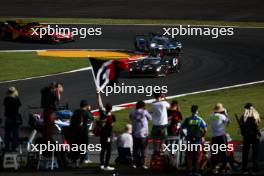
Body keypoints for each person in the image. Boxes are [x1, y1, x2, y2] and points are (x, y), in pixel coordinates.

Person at [181, 105, 208, 176]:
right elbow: (205, 129)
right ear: (197, 111)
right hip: (198, 141)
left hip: (189, 141)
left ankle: (190, 171)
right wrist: (202, 136)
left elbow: (181, 128)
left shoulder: (188, 119)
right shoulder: (200, 119)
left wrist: (185, 136)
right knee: (198, 157)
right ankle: (196, 172)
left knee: (189, 157)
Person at [237, 103, 261, 174]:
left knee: (245, 153)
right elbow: (256, 125)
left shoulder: (243, 117)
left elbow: (241, 128)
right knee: (255, 153)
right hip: (254, 137)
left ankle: (244, 169)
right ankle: (255, 169)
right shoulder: (254, 116)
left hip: (246, 137)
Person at [70, 100, 94, 164]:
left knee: (76, 146)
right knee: (84, 146)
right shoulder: (86, 112)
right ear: (86, 106)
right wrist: (89, 110)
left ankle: (75, 160)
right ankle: (84, 159)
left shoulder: (76, 111)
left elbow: (72, 120)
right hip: (83, 131)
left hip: (76, 131)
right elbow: (92, 118)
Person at [129, 100, 152, 168]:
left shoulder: (132, 112)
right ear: (143, 106)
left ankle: (134, 163)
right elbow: (150, 118)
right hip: (143, 134)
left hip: (135, 133)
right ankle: (143, 164)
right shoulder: (144, 112)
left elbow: (130, 118)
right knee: (143, 149)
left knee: (135, 149)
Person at [208, 103, 229, 174]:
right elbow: (228, 121)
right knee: (224, 153)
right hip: (221, 136)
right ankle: (223, 167)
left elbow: (213, 116)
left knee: (214, 152)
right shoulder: (222, 116)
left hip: (214, 137)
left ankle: (214, 167)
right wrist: (226, 113)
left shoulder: (210, 116)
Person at [3, 87, 22, 152]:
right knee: (15, 133)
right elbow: (19, 105)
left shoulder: (6, 99)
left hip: (8, 118)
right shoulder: (16, 99)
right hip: (14, 118)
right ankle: (14, 147)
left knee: (7, 133)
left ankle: (7, 147)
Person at [98, 102, 116, 171]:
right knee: (108, 150)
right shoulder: (111, 116)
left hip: (102, 134)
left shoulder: (102, 114)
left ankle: (102, 164)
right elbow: (111, 125)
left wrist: (98, 94)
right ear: (111, 109)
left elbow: (100, 105)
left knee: (103, 149)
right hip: (108, 135)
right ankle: (106, 165)